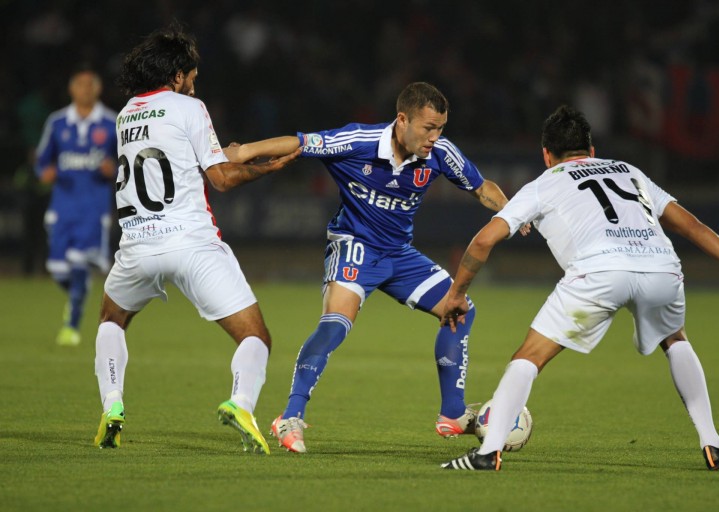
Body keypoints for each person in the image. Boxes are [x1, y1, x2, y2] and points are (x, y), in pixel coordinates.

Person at [440, 105, 719, 471]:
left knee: (529, 357)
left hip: (599, 273)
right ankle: (713, 444)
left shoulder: (544, 183)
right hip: (661, 268)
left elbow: (483, 242)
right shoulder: (630, 171)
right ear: (592, 151)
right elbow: (691, 226)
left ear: (546, 155)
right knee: (675, 339)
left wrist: (457, 293)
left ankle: (488, 454)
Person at [227, 82, 522, 453]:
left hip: (399, 254)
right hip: (354, 246)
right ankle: (289, 416)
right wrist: (244, 152)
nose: (435, 137)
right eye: (428, 128)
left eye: (441, 128)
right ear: (402, 120)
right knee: (335, 325)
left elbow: (481, 188)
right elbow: (300, 143)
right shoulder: (358, 141)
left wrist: (512, 211)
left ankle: (452, 414)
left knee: (459, 309)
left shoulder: (440, 154)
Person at [92, 24, 299, 452]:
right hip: (191, 243)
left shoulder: (126, 113)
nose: (194, 82)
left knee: (112, 320)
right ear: (176, 76)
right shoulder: (189, 107)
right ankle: (241, 404)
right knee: (255, 336)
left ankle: (112, 405)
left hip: (136, 246)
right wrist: (266, 168)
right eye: (191, 75)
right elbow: (221, 179)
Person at [35, 65, 118, 346]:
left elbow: (128, 164)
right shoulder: (57, 122)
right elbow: (41, 160)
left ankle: (71, 325)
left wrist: (114, 170)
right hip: (62, 208)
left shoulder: (111, 123)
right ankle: (78, 291)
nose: (85, 89)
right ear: (72, 89)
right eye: (80, 85)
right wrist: (43, 172)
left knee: (80, 262)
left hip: (94, 210)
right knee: (59, 270)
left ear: (98, 89)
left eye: (90, 84)